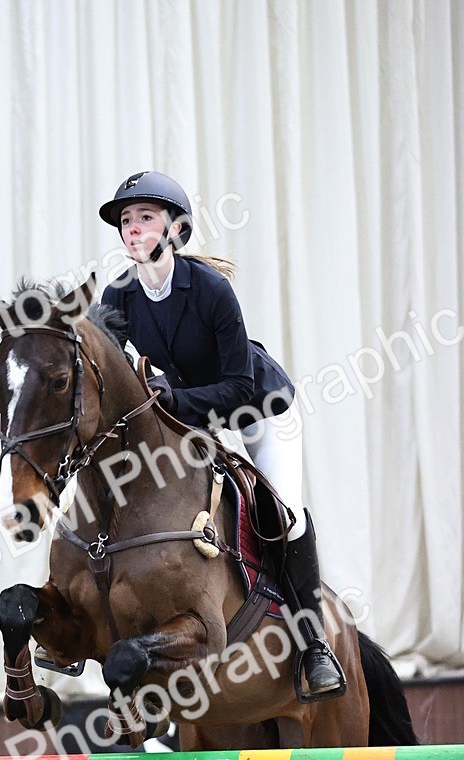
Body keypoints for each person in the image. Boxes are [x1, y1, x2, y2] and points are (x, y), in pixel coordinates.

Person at [99, 170, 346, 701]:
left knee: (285, 514)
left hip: (258, 411)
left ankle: (313, 645)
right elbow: (105, 364)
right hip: (190, 420)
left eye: (145, 218)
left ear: (174, 228)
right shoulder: (118, 295)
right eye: (126, 221)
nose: (133, 229)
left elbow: (237, 385)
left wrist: (170, 400)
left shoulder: (211, 290)